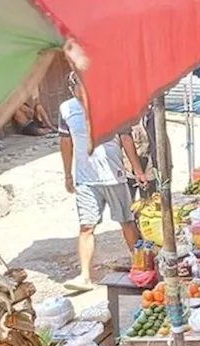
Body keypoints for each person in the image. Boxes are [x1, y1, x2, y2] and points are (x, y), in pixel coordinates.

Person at [58, 72, 148, 292]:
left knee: (126, 221)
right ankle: (85, 276)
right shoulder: (66, 109)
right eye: (79, 85)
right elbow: (65, 142)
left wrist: (137, 170)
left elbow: (125, 137)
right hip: (85, 179)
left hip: (113, 174)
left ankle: (140, 265)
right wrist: (68, 175)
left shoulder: (110, 105)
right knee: (86, 226)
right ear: (72, 88)